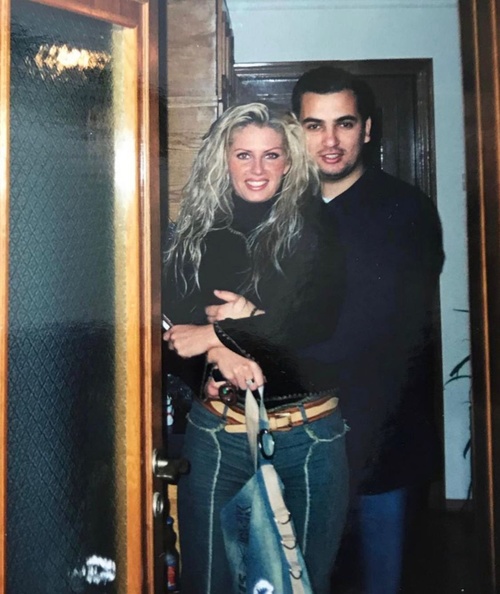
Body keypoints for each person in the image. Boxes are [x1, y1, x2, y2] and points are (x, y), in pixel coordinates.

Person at [162, 103, 348, 594]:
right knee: (208, 583)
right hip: (218, 432)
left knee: (300, 584)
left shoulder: (316, 228)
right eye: (243, 154)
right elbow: (170, 329)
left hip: (306, 435)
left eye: (271, 155)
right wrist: (219, 351)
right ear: (223, 159)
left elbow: (317, 326)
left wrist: (220, 333)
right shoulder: (198, 233)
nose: (258, 169)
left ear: (290, 162)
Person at [291, 66, 445, 594]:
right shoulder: (284, 210)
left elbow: (370, 329)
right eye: (314, 125)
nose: (330, 141)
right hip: (304, 446)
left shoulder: (405, 211)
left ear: (368, 129)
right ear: (296, 130)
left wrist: (243, 339)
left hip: (382, 446)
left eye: (345, 123)